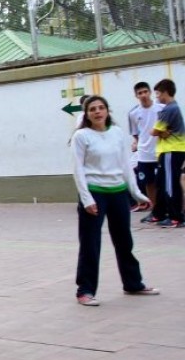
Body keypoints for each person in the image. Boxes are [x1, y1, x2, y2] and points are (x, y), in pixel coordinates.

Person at [71, 96, 158, 306]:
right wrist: (87, 199)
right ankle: (85, 290)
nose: (98, 112)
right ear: (87, 114)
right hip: (94, 193)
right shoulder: (81, 136)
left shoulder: (117, 133)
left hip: (118, 192)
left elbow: (126, 165)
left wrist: (136, 193)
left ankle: (133, 283)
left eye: (101, 108)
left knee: (124, 241)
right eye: (93, 109)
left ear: (108, 111)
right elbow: (78, 170)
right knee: (91, 244)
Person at [150, 79, 185, 228]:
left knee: (171, 185)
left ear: (165, 92)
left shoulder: (169, 109)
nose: (157, 97)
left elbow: (153, 131)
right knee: (163, 183)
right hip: (170, 150)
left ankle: (176, 217)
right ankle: (163, 213)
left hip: (172, 150)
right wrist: (163, 132)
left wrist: (161, 132)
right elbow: (159, 132)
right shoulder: (173, 108)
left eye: (158, 94)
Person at [129, 82, 163, 221]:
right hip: (144, 153)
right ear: (136, 95)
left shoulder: (161, 108)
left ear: (150, 92)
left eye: (145, 92)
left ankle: (167, 209)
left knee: (162, 182)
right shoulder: (133, 113)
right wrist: (139, 143)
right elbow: (135, 133)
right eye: (140, 93)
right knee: (148, 183)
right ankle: (155, 210)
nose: (143, 95)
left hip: (160, 151)